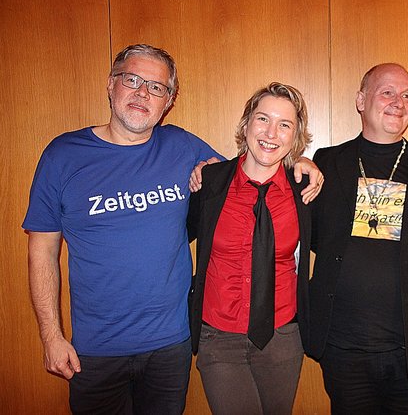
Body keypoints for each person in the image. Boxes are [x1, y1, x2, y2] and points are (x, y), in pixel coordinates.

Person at [23, 44, 322, 414]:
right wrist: (51, 336)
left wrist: (302, 162)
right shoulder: (63, 155)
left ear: (169, 100)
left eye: (156, 87)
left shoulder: (182, 146)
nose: (142, 93)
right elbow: (42, 250)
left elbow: (250, 165)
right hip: (96, 351)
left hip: (170, 345)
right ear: (110, 83)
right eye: (132, 80)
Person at [306, 63, 408, 413]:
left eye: (407, 95)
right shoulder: (326, 164)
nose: (399, 102)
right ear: (361, 100)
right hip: (343, 349)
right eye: (388, 92)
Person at [187, 82, 312, 415]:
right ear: (246, 125)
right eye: (262, 119)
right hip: (219, 336)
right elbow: (178, 234)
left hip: (282, 336)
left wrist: (312, 166)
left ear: (295, 136)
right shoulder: (211, 181)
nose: (271, 132)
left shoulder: (304, 190)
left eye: (284, 124)